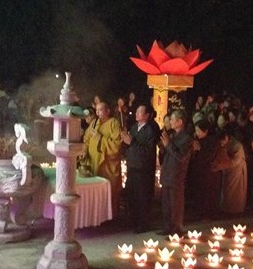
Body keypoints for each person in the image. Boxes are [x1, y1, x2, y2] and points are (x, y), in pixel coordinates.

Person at [121, 104, 160, 233]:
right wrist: (125, 141)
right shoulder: (134, 127)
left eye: (140, 112)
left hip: (143, 168)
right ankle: (133, 221)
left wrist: (131, 142)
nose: (136, 114)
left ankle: (143, 224)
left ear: (147, 115)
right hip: (132, 165)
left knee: (142, 196)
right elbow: (129, 146)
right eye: (136, 111)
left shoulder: (150, 130)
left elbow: (147, 151)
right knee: (132, 195)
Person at [82, 101, 123, 217]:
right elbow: (86, 139)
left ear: (108, 111)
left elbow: (116, 146)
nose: (97, 113)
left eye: (100, 110)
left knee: (109, 191)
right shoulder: (94, 123)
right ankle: (95, 215)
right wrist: (84, 151)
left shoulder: (114, 123)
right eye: (96, 110)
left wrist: (100, 137)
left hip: (107, 165)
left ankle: (109, 216)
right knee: (95, 191)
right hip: (93, 163)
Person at [158, 109, 193, 236]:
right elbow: (167, 152)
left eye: (172, 119)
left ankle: (176, 229)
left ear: (180, 122)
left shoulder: (187, 138)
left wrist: (168, 145)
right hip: (167, 172)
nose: (170, 122)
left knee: (175, 204)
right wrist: (163, 147)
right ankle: (167, 227)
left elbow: (181, 156)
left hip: (176, 174)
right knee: (166, 204)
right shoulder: (172, 135)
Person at [188, 119, 221, 220]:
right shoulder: (198, 140)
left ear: (206, 130)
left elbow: (209, 156)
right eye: (196, 130)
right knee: (199, 193)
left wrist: (199, 149)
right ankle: (200, 212)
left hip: (209, 173)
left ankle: (208, 214)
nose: (197, 133)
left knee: (208, 194)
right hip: (199, 171)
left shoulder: (213, 141)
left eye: (199, 130)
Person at [213, 130, 247, 215]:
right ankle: (226, 209)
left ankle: (236, 210)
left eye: (223, 141)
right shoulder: (224, 144)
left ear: (226, 138)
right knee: (226, 190)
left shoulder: (237, 145)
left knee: (236, 191)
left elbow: (236, 160)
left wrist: (223, 165)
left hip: (237, 171)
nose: (222, 143)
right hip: (227, 169)